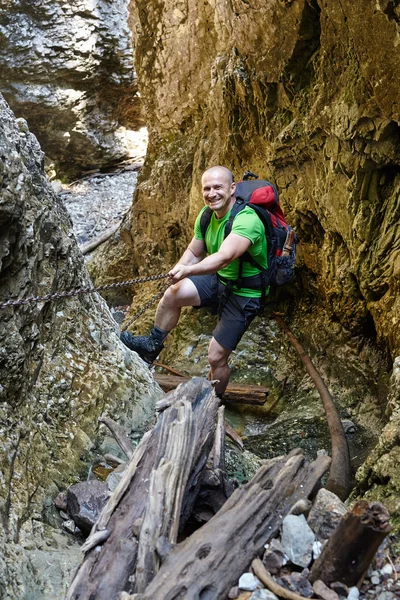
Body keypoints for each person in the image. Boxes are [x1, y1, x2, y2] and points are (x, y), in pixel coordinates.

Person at [120, 165, 268, 396]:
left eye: (218, 187)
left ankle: (213, 400)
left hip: (244, 291)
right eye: (207, 188)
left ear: (232, 189)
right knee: (174, 293)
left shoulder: (247, 220)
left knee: (216, 357)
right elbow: (194, 250)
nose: (212, 193)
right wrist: (178, 269)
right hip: (219, 280)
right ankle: (152, 346)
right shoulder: (207, 215)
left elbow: (223, 257)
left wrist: (188, 272)